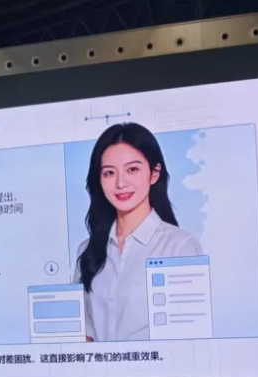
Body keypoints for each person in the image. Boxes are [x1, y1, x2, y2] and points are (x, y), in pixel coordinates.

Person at [73, 122, 203, 342]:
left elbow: (191, 335)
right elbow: (83, 332)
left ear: (154, 174)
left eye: (132, 169)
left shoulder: (179, 246)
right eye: (109, 173)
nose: (120, 183)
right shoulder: (87, 251)